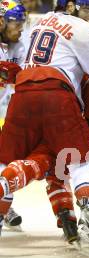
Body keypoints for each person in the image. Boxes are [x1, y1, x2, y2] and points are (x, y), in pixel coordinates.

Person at [0, 0, 89, 240]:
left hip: (22, 96)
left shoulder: (41, 22)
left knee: (5, 159)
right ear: (71, 6)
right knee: (82, 160)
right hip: (56, 98)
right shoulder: (84, 30)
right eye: (85, 8)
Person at [0, 1, 27, 232]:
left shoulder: (20, 43)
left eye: (22, 23)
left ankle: (3, 207)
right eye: (15, 23)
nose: (20, 28)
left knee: (4, 160)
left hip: (6, 110)